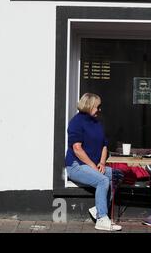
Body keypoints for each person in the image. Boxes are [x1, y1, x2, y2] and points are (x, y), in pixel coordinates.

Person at [65, 93, 122, 231]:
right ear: (89, 106)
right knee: (103, 180)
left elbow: (104, 145)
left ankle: (98, 209)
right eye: (98, 106)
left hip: (94, 166)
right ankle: (102, 219)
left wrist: (102, 163)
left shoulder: (97, 123)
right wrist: (93, 166)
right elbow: (77, 149)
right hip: (76, 166)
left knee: (117, 175)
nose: (99, 109)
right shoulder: (76, 122)